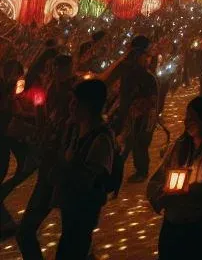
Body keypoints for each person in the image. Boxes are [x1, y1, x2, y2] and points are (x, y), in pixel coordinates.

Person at [148, 96, 202, 258]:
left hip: (199, 224)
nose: (186, 122)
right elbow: (159, 177)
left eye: (193, 119)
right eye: (186, 117)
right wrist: (160, 194)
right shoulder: (181, 145)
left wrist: (190, 192)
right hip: (173, 221)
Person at [14, 56, 77, 260]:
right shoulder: (51, 89)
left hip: (63, 175)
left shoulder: (73, 96)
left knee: (73, 238)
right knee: (27, 233)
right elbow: (46, 122)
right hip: (49, 170)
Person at [48, 79, 115, 260]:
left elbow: (87, 180)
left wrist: (59, 167)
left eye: (75, 103)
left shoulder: (100, 139)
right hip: (70, 209)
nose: (70, 106)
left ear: (88, 106)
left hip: (83, 210)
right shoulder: (75, 129)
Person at [106, 34, 158, 182]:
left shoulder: (147, 75)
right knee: (125, 141)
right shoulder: (127, 69)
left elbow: (152, 99)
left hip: (142, 113)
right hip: (127, 110)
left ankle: (141, 171)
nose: (146, 59)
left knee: (140, 142)